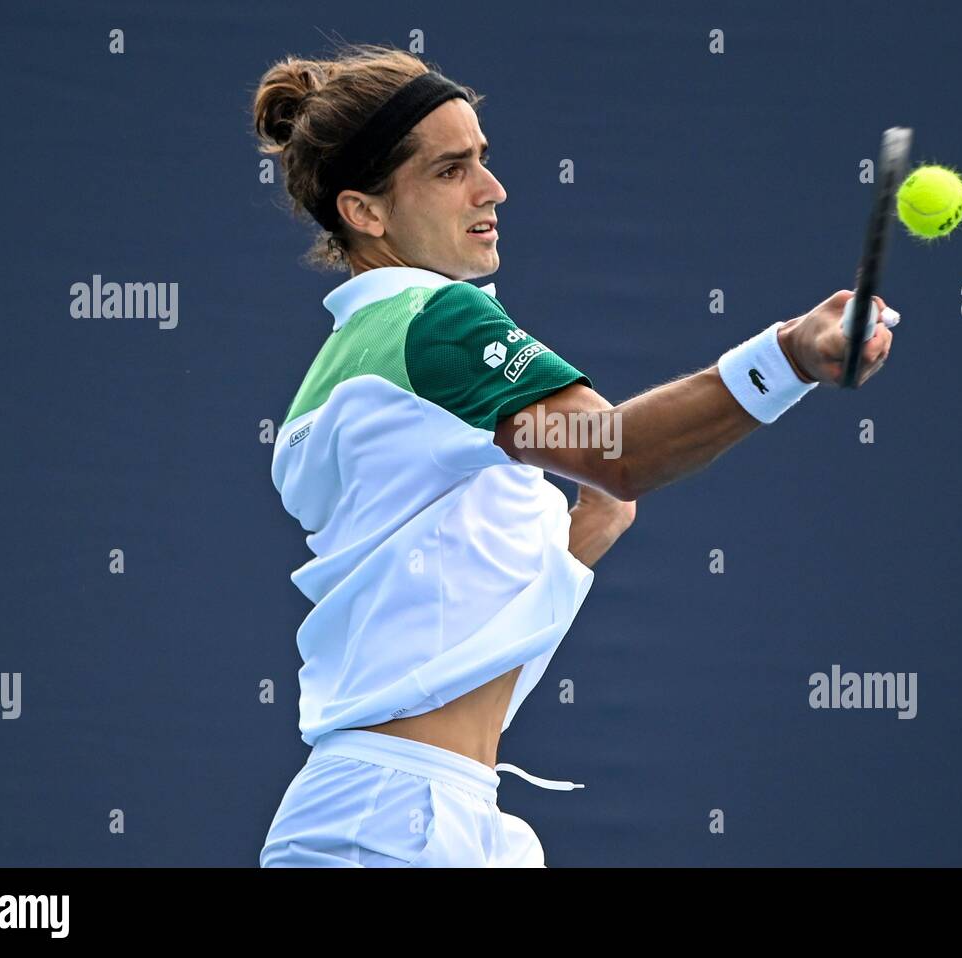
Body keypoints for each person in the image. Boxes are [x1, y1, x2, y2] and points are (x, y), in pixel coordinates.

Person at [253, 44, 897, 868]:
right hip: (391, 825)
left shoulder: (338, 367)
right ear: (366, 213)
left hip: (415, 811)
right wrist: (789, 357)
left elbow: (453, 551)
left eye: (484, 159)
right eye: (450, 171)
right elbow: (614, 451)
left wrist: (584, 528)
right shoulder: (434, 319)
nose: (493, 190)